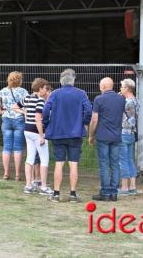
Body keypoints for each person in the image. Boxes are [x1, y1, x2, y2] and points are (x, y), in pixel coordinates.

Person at [42, 69, 92, 203]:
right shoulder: (81, 94)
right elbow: (88, 110)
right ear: (73, 80)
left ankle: (56, 194)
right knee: (73, 164)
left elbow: (46, 110)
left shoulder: (54, 94)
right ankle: (73, 194)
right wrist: (84, 123)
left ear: (60, 81)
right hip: (75, 133)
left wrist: (46, 124)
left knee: (59, 163)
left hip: (58, 133)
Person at [88, 77, 126, 202]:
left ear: (104, 86)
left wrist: (91, 135)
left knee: (104, 164)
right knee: (115, 164)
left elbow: (94, 119)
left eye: (100, 85)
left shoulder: (99, 99)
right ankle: (113, 193)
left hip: (103, 136)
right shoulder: (121, 99)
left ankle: (105, 192)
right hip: (116, 136)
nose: (99, 88)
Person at [14, 78, 53, 195]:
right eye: (45, 88)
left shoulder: (27, 98)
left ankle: (28, 185)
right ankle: (44, 187)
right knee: (44, 159)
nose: (46, 91)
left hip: (27, 130)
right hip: (37, 132)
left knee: (30, 158)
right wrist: (42, 136)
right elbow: (38, 119)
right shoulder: (40, 101)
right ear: (40, 88)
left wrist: (25, 113)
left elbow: (14, 107)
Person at [0, 71, 28, 181]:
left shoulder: (4, 91)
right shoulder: (23, 91)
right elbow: (29, 103)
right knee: (18, 148)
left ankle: (6, 173)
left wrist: (0, 111)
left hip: (6, 119)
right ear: (19, 80)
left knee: (6, 148)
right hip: (19, 119)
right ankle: (17, 174)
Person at [118, 78, 139, 196]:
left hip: (123, 132)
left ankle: (125, 187)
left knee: (123, 160)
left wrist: (118, 98)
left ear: (127, 88)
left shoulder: (127, 102)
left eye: (122, 86)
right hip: (132, 132)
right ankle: (133, 186)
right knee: (130, 159)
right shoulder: (135, 100)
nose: (120, 88)